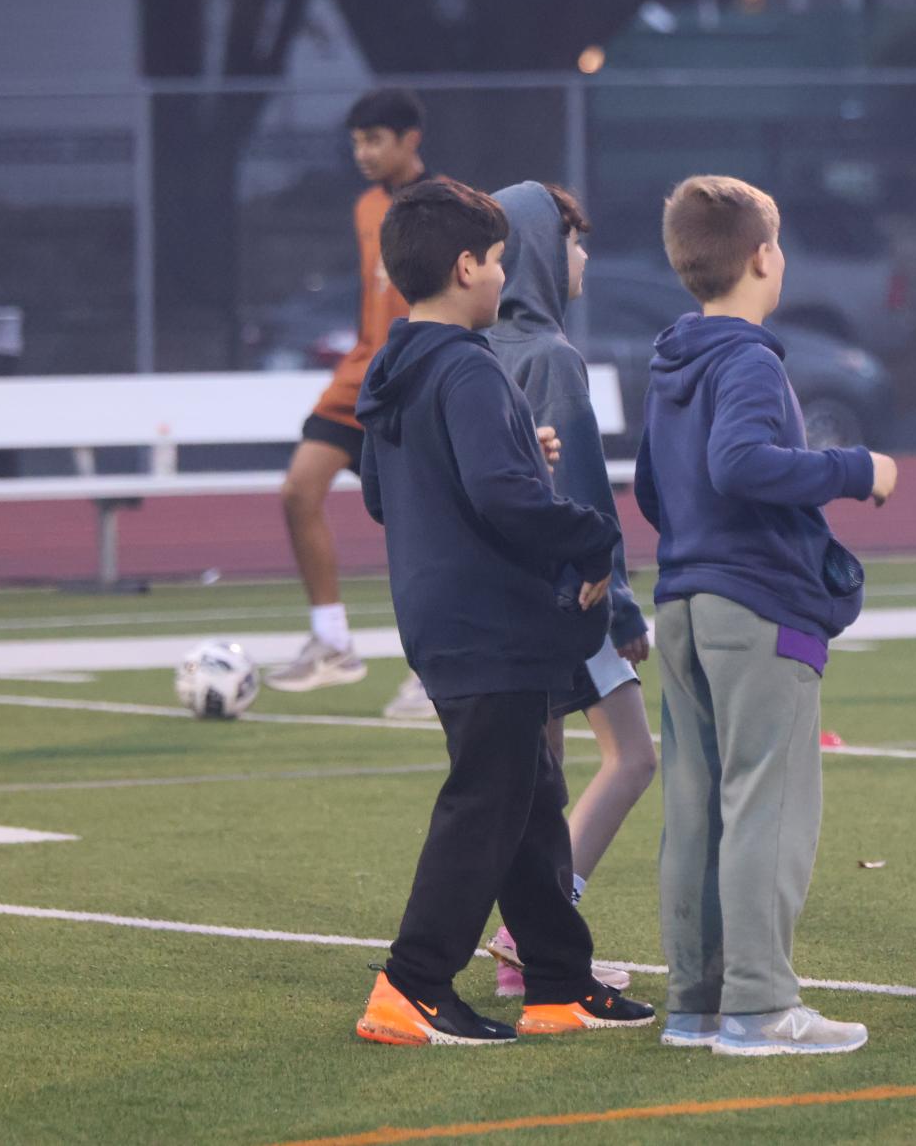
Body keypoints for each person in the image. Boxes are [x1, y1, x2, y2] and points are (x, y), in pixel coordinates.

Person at [352, 178, 653, 1046]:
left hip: (441, 616)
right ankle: (410, 984)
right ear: (462, 267)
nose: (500, 274)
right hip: (491, 623)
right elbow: (503, 499)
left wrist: (522, 446)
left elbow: (385, 492)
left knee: (529, 801)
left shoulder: (398, 364)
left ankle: (559, 981)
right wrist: (592, 538)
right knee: (486, 804)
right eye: (492, 260)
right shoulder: (468, 366)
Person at [635, 175, 898, 1056]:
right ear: (760, 256)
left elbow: (650, 484)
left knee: (697, 804)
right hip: (753, 603)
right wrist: (854, 469)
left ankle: (696, 1006)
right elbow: (741, 462)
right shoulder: (747, 357)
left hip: (680, 597)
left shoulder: (672, 356)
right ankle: (758, 1008)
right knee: (766, 804)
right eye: (778, 243)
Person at [479, 182, 649, 999]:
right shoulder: (550, 356)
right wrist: (620, 608)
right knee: (633, 758)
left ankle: (535, 958)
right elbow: (581, 493)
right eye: (573, 242)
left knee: (537, 784)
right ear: (543, 251)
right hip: (571, 602)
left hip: (504, 604)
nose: (583, 257)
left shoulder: (476, 348)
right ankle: (530, 936)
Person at [268, 88, 429, 717]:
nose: (363, 153)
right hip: (360, 374)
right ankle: (333, 643)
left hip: (411, 379)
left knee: (420, 531)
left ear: (410, 140)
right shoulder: (366, 206)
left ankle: (434, 668)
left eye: (375, 140)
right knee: (297, 490)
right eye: (357, 141)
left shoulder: (442, 205)